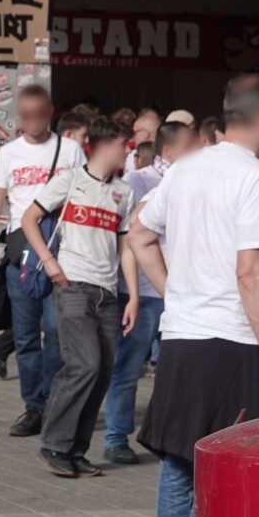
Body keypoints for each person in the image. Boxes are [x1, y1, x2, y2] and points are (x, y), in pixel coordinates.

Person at [130, 74, 259, 517]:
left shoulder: (186, 168)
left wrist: (175, 292)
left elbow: (138, 234)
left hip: (181, 337)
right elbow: (251, 271)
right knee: (220, 472)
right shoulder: (253, 177)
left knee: (179, 465)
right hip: (230, 341)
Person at [22, 117, 138, 478]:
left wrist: (132, 295)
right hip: (73, 284)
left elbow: (127, 245)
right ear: (104, 145)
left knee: (102, 371)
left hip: (107, 291)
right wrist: (50, 262)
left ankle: (75, 449)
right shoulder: (70, 180)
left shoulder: (124, 192)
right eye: (124, 144)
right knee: (83, 364)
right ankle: (53, 444)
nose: (127, 150)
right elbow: (29, 218)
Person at [0, 85, 84, 436]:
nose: (32, 121)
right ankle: (33, 406)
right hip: (21, 256)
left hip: (60, 251)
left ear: (50, 111)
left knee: (54, 332)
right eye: (25, 115)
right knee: (24, 336)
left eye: (38, 113)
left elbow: (84, 195)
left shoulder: (69, 150)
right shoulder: (9, 153)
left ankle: (54, 402)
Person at [102, 120, 200, 464]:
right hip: (145, 294)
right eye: (191, 144)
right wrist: (131, 293)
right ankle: (116, 437)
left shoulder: (197, 180)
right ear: (169, 151)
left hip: (184, 293)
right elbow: (130, 240)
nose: (199, 149)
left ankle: (172, 438)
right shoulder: (138, 181)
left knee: (173, 371)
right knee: (128, 369)